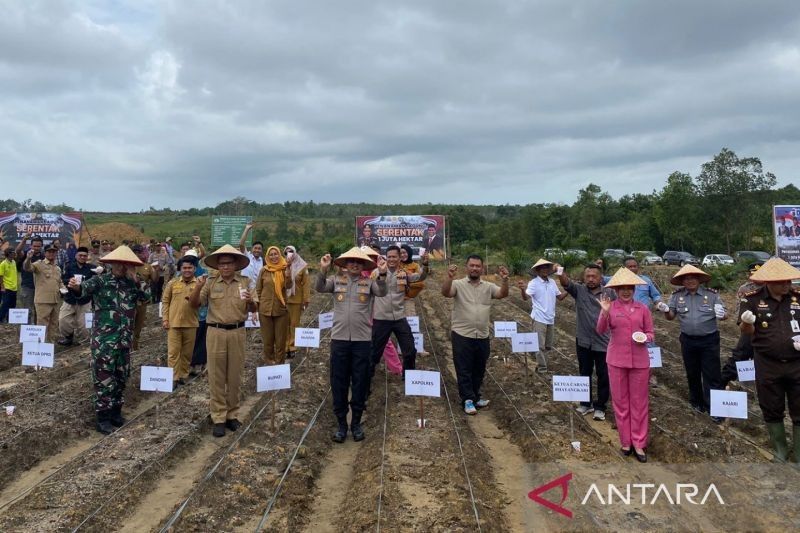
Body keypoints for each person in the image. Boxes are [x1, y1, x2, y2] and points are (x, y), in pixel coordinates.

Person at [67, 246, 150, 434]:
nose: (121, 267)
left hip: (124, 340)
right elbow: (82, 289)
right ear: (111, 264)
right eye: (118, 263)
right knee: (103, 377)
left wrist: (136, 279)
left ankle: (115, 412)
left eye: (126, 264)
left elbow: (147, 296)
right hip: (104, 341)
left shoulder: (133, 284)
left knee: (121, 376)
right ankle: (102, 417)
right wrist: (75, 286)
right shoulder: (101, 281)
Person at [316, 247, 387, 443]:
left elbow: (382, 292)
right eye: (351, 261)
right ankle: (341, 424)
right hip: (339, 340)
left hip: (362, 341)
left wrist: (382, 273)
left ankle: (356, 423)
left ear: (363, 265)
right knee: (338, 382)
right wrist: (323, 269)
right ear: (345, 265)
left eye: (359, 262)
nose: (354, 264)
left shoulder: (370, 283)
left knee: (360, 381)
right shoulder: (336, 281)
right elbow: (320, 288)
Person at [189, 244, 255, 438]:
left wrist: (251, 300)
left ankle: (232, 414)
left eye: (229, 263)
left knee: (235, 376)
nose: (225, 267)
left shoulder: (245, 282)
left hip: (237, 332)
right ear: (217, 266)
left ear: (236, 265)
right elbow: (194, 304)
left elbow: (253, 309)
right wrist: (198, 286)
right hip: (215, 332)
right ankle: (218, 417)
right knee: (216, 376)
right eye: (222, 264)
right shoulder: (209, 283)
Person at [739, 258, 800, 462]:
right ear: (770, 282)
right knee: (771, 406)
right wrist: (747, 323)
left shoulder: (797, 298)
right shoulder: (752, 299)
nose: (787, 285)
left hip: (796, 363)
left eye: (789, 281)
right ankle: (780, 449)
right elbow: (747, 330)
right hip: (767, 363)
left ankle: (799, 453)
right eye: (782, 282)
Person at [597, 268, 654, 463]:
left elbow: (651, 333)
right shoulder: (610, 307)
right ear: (616, 290)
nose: (626, 291)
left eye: (629, 288)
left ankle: (639, 442)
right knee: (621, 403)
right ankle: (626, 442)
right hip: (616, 360)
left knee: (639, 403)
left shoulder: (643, 309)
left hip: (639, 361)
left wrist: (644, 337)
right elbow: (601, 330)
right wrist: (604, 313)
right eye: (622, 288)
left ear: (634, 289)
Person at [657, 264, 726, 422]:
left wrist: (722, 314)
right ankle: (696, 403)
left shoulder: (712, 295)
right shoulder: (677, 295)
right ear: (682, 282)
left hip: (709, 340)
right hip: (688, 340)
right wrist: (666, 310)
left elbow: (724, 314)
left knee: (712, 375)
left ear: (699, 279)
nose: (690, 281)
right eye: (686, 279)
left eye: (693, 278)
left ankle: (715, 408)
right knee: (692, 373)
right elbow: (671, 316)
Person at [442, 255, 509, 415]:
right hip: (462, 334)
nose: (474, 268)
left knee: (479, 368)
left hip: (482, 335)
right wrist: (449, 277)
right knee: (464, 368)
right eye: (471, 265)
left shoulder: (488, 286)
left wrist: (505, 280)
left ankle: (476, 396)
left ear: (482, 268)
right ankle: (467, 400)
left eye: (477, 266)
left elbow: (502, 294)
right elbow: (446, 292)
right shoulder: (458, 284)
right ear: (467, 267)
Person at [557, 263, 615, 421]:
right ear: (584, 278)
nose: (591, 279)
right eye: (588, 276)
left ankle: (600, 406)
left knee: (603, 375)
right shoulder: (579, 290)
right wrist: (560, 270)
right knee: (584, 372)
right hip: (583, 341)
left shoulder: (610, 293)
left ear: (600, 277)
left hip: (604, 342)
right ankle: (585, 403)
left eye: (594, 276)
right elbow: (565, 283)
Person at [370, 245, 428, 384]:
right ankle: (367, 377)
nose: (391, 259)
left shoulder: (404, 273)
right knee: (374, 353)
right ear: (386, 257)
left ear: (398, 258)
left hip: (399, 318)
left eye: (394, 256)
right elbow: (369, 291)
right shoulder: (376, 273)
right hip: (381, 318)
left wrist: (425, 264)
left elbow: (420, 276)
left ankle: (409, 379)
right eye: (389, 256)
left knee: (410, 350)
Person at [517, 258, 567, 373]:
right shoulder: (534, 283)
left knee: (548, 345)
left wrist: (571, 289)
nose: (544, 270)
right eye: (542, 268)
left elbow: (560, 297)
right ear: (538, 270)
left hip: (550, 317)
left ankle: (541, 363)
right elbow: (525, 298)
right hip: (539, 317)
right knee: (540, 345)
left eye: (546, 267)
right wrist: (522, 290)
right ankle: (542, 368)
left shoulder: (552, 282)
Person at [720, 262, 764, 389]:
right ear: (749, 275)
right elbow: (740, 311)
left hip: (769, 330)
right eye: (754, 274)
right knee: (739, 356)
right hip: (750, 329)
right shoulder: (745, 289)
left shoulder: (772, 287)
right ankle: (723, 382)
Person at [622, 256, 663, 387]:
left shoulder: (646, 281)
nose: (633, 268)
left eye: (635, 266)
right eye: (630, 266)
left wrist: (658, 302)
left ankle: (651, 376)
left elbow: (655, 295)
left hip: (644, 319)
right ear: (624, 268)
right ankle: (627, 372)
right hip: (624, 319)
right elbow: (601, 280)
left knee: (649, 345)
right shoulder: (618, 281)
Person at [162, 253, 200, 387]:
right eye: (184, 268)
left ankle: (183, 375)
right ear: (180, 269)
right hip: (173, 324)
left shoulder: (199, 284)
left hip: (191, 324)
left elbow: (202, 302)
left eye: (190, 268)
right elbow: (165, 301)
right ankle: (173, 378)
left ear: (194, 269)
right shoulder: (173, 283)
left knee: (187, 353)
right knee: (173, 353)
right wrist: (165, 319)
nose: (187, 270)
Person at [254, 246, 294, 365]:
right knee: (268, 342)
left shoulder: (284, 268)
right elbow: (258, 290)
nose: (273, 257)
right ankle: (269, 365)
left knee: (280, 342)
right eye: (271, 255)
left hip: (281, 310)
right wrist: (256, 309)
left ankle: (279, 366)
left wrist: (288, 273)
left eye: (275, 254)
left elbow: (288, 286)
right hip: (264, 311)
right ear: (267, 257)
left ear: (279, 255)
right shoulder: (264, 270)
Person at [58, 246, 99, 346]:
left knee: (85, 325)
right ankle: (68, 337)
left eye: (85, 256)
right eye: (80, 255)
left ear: (87, 257)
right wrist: (70, 281)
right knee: (63, 320)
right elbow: (63, 279)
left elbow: (98, 280)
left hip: (85, 300)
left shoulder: (92, 268)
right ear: (76, 256)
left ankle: (86, 342)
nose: (82, 257)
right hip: (70, 298)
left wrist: (102, 271)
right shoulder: (69, 266)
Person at [24, 244, 64, 343]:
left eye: (53, 251)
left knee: (54, 324)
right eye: (49, 251)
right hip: (42, 300)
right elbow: (27, 268)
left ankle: (50, 346)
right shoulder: (39, 264)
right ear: (45, 253)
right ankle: (40, 347)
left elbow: (59, 282)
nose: (51, 253)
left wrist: (64, 288)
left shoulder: (57, 268)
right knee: (42, 325)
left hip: (55, 300)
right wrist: (28, 258)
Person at [283, 245, 310, 358]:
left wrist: (306, 299)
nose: (289, 253)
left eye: (291, 251)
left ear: (295, 252)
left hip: (296, 300)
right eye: (287, 252)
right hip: (283, 299)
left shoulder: (302, 266)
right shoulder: (282, 265)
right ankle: (285, 346)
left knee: (294, 324)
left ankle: (293, 346)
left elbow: (306, 284)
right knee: (284, 324)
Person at [131, 244, 159, 351]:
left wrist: (156, 270)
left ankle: (135, 346)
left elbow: (155, 280)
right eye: (135, 252)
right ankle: (127, 346)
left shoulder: (147, 266)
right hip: (128, 301)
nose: (137, 254)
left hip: (142, 301)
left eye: (139, 252)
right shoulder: (126, 266)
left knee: (139, 325)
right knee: (128, 324)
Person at [189, 250, 209, 376]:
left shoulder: (203, 273)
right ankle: (189, 364)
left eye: (192, 259)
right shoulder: (180, 274)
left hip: (202, 314)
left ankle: (198, 363)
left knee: (200, 339)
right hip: (187, 315)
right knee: (190, 340)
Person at [14, 233, 43, 322]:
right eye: (34, 246)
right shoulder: (26, 253)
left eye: (39, 246)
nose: (36, 248)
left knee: (38, 310)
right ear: (31, 245)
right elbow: (17, 252)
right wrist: (24, 240)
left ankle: (37, 330)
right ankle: (27, 330)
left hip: (40, 287)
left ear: (42, 246)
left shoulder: (44, 256)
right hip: (27, 286)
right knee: (28, 310)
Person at [238, 222, 265, 289]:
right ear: (252, 249)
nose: (257, 250)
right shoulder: (246, 256)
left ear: (262, 251)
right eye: (255, 248)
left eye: (259, 249)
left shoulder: (264, 261)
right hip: (244, 287)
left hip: (256, 290)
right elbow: (241, 244)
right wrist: (247, 229)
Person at [0, 248, 18, 323]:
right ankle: (1, 319)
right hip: (7, 288)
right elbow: (0, 276)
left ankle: (9, 319)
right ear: (8, 254)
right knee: (5, 305)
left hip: (14, 288)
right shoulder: (3, 264)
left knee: (13, 305)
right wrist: (2, 287)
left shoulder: (14, 262)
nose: (15, 254)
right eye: (13, 252)